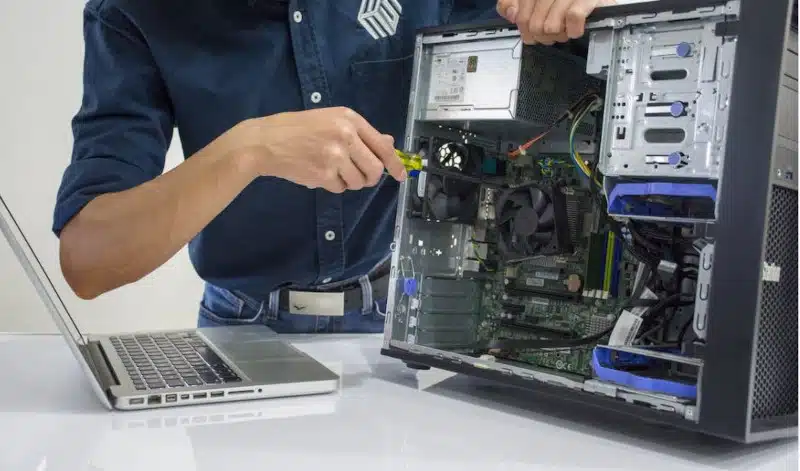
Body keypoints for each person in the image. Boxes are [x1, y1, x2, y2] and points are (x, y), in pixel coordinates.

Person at [53, 0, 615, 333]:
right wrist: (249, 150)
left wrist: (583, 11)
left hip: (399, 324)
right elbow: (88, 262)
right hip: (241, 332)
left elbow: (559, 36)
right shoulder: (131, 14)